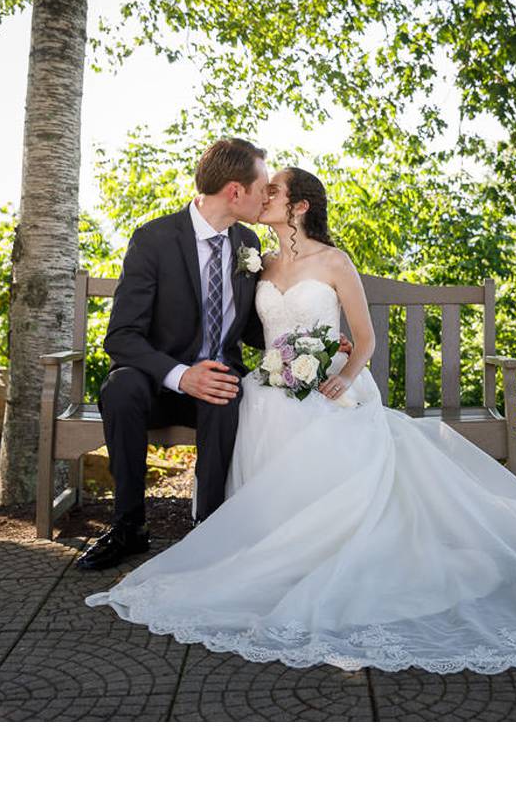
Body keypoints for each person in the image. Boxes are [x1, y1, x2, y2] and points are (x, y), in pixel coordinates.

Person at [86, 167, 516, 674]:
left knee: (321, 441)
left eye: (273, 193)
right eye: (255, 191)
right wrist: (270, 368)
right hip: (270, 387)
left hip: (330, 392)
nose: (261, 198)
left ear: (296, 206)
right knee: (249, 409)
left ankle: (318, 552)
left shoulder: (335, 260)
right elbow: (247, 333)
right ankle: (249, 544)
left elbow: (363, 338)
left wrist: (342, 374)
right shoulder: (257, 261)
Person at [75, 139, 351, 571]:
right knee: (120, 386)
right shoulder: (154, 239)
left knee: (226, 389)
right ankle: (128, 527)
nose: (266, 196)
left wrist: (314, 343)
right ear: (235, 192)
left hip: (217, 381)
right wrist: (182, 375)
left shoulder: (247, 242)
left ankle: (209, 527)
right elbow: (121, 337)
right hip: (156, 380)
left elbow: (258, 325)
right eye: (263, 186)